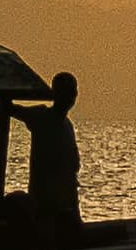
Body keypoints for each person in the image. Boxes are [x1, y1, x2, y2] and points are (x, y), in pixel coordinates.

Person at [12, 71, 84, 239]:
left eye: (73, 92)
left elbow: (72, 169)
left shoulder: (67, 125)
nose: (71, 96)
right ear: (56, 94)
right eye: (66, 91)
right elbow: (13, 110)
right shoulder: (42, 116)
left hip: (66, 203)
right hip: (45, 204)